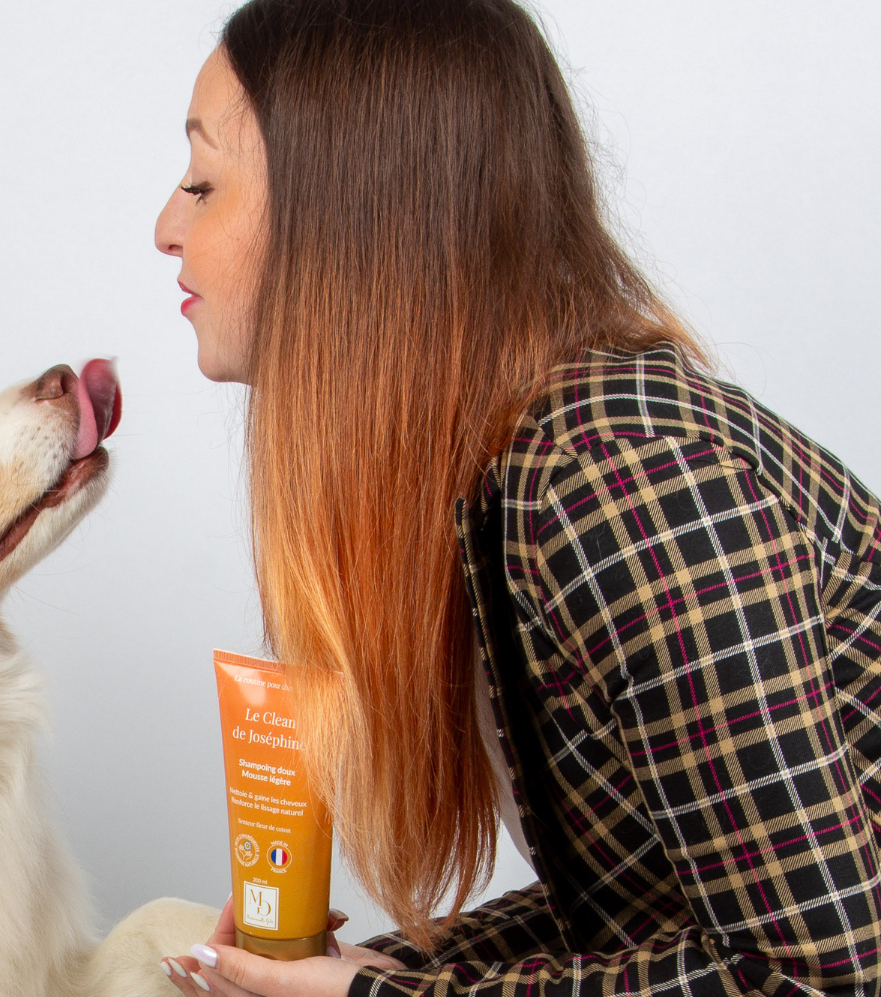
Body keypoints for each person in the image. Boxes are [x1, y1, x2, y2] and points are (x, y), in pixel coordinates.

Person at [152, 2, 881, 996]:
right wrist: (381, 966)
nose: (164, 227)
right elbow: (655, 907)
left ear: (355, 216)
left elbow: (817, 978)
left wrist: (385, 996)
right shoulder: (501, 476)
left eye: (202, 182)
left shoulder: (612, 482)